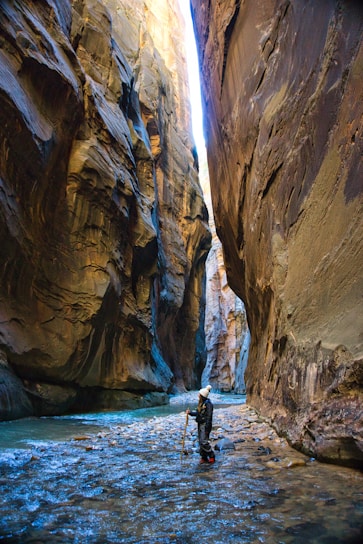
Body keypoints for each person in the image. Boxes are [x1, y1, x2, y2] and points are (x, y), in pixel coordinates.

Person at [187, 385, 215, 464]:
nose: (198, 395)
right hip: (200, 424)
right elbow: (198, 414)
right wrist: (190, 413)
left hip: (205, 424)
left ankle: (211, 455)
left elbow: (209, 417)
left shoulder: (208, 404)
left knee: (203, 441)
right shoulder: (202, 403)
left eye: (199, 394)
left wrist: (207, 428)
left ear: (202, 396)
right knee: (201, 441)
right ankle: (204, 457)